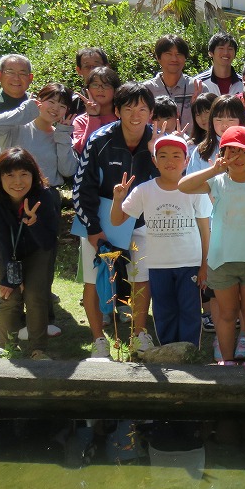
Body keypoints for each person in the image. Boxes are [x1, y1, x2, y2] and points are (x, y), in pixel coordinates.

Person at [178, 126, 245, 365]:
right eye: (231, 151)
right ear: (222, 153)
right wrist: (213, 169)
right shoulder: (216, 182)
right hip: (220, 261)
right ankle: (227, 361)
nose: (237, 157)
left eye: (244, 152)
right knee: (225, 315)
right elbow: (183, 186)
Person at [72, 83, 159, 359]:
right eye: (129, 108)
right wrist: (94, 230)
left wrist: (157, 153)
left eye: (143, 108)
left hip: (142, 221)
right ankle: (99, 340)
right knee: (94, 279)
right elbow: (80, 188)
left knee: (142, 278)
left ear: (151, 112)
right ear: (118, 110)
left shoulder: (157, 141)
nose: (136, 114)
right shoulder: (99, 140)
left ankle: (139, 334)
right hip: (100, 219)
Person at [110, 134, 211, 347]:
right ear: (154, 161)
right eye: (162, 156)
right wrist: (118, 200)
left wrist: (204, 265)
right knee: (164, 310)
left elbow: (205, 229)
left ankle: (188, 350)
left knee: (190, 309)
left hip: (189, 263)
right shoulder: (144, 190)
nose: (169, 161)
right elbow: (117, 220)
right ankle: (168, 348)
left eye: (176, 156)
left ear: (186, 160)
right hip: (157, 264)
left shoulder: (195, 189)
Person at [0, 148, 59, 359]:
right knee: (10, 295)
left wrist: (33, 223)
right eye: (10, 175)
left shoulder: (44, 196)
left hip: (36, 248)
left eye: (23, 174)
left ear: (33, 176)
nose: (18, 181)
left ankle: (38, 349)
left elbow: (48, 241)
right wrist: (12, 277)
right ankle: (5, 349)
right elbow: (0, 241)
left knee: (36, 294)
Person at [0, 82, 77, 187]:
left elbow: (68, 171)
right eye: (51, 101)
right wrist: (25, 111)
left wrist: (63, 136)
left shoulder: (61, 137)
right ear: (38, 101)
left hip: (45, 195)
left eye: (62, 106)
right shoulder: (15, 129)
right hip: (11, 193)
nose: (55, 108)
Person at [142, 34, 206, 129]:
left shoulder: (198, 87)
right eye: (168, 54)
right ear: (158, 58)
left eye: (179, 54)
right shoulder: (146, 90)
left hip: (191, 142)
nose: (174, 59)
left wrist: (197, 108)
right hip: (156, 142)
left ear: (185, 58)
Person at [0, 55, 33, 176]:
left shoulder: (37, 105)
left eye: (22, 73)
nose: (16, 78)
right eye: (10, 72)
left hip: (30, 177)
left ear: (30, 78)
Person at [72, 66, 121, 155]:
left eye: (106, 85)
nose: (100, 89)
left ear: (115, 90)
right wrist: (93, 117)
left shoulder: (123, 117)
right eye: (95, 85)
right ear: (88, 89)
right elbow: (83, 149)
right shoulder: (81, 121)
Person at [196, 33, 244, 97]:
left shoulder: (243, 84)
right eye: (221, 48)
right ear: (210, 53)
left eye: (230, 49)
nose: (226, 52)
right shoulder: (199, 83)